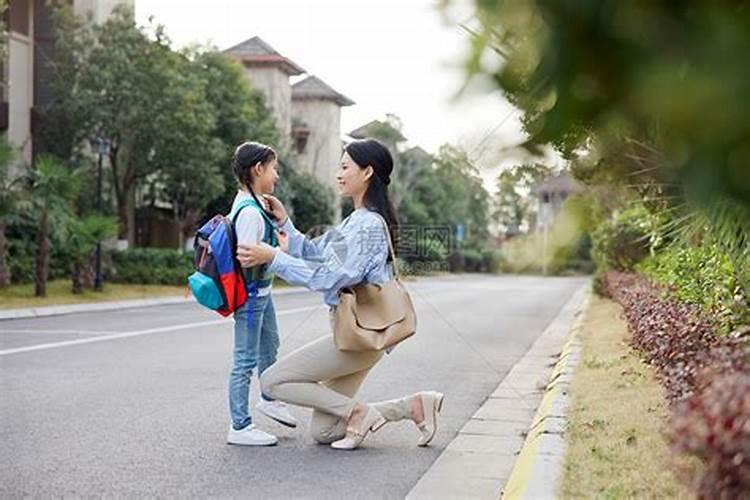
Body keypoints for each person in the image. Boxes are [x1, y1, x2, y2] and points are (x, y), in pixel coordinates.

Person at [237, 138, 444, 450]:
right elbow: (316, 252)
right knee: (324, 431)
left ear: (367, 172)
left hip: (360, 335)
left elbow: (328, 276)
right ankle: (412, 406)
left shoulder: (368, 225)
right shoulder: (357, 219)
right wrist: (286, 224)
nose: (338, 173)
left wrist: (274, 258)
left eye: (345, 166)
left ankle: (359, 413)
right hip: (359, 335)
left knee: (272, 380)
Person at [225, 142, 298, 447]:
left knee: (270, 346)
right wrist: (277, 251)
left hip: (263, 294)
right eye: (273, 169)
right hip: (252, 297)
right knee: (245, 359)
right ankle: (240, 426)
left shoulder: (253, 205)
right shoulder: (250, 212)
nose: (276, 176)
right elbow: (245, 255)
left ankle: (269, 398)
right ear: (258, 169)